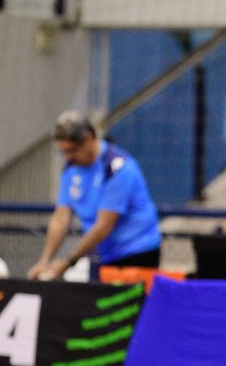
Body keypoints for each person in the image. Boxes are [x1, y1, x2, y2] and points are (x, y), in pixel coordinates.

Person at [27, 110, 162, 281]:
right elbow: (60, 218)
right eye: (64, 152)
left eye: (72, 150)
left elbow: (103, 226)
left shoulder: (117, 168)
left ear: (89, 139)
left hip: (137, 253)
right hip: (103, 255)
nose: (68, 157)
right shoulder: (70, 169)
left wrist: (68, 262)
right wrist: (44, 261)